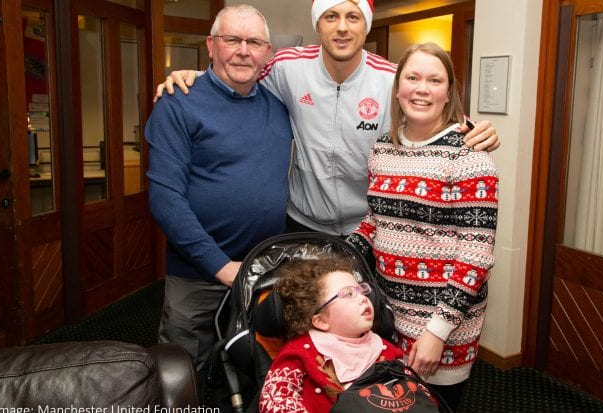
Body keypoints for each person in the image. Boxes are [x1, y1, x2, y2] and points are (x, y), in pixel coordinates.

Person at [155, 0, 501, 237]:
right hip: (301, 222)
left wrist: (476, 130)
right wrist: (196, 77)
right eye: (330, 17)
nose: (342, 28)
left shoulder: (390, 78)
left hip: (368, 226)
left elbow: (440, 112)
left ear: (365, 26)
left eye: (352, 17)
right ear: (318, 25)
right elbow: (237, 69)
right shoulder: (287, 66)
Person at [346, 42, 498, 410]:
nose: (422, 88)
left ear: (448, 93)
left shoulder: (470, 157)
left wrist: (437, 333)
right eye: (412, 77)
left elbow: (475, 257)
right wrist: (342, 253)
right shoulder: (383, 147)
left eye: (435, 80)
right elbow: (377, 219)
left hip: (443, 329)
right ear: (398, 88)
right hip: (387, 316)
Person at [144, 4, 292, 380]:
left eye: (254, 42)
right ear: (211, 45)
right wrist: (221, 267)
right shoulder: (178, 102)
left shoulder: (278, 108)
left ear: (267, 53)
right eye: (232, 39)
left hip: (262, 270)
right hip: (198, 272)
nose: (243, 50)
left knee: (256, 366)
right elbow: (165, 199)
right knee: (179, 375)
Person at [258, 256, 403, 413]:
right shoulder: (299, 352)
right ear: (321, 320)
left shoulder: (384, 349)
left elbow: (414, 391)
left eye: (362, 290)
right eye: (348, 294)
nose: (363, 299)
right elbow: (274, 400)